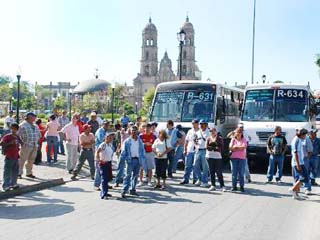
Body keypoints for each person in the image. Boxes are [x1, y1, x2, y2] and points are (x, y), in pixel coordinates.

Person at [120, 126, 145, 198]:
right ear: (130, 132)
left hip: (138, 160)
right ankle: (124, 190)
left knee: (135, 175)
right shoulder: (127, 141)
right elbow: (123, 152)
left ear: (137, 132)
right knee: (127, 175)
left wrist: (142, 160)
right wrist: (123, 160)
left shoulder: (140, 141)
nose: (134, 132)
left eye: (135, 130)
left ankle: (133, 190)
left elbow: (142, 151)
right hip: (130, 160)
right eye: (132, 131)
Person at [18, 112, 41, 179]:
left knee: (31, 160)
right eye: (33, 116)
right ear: (29, 117)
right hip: (26, 145)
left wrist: (37, 142)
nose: (34, 118)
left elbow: (39, 134)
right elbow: (17, 134)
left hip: (34, 145)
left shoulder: (35, 125)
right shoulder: (22, 125)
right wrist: (21, 143)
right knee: (22, 159)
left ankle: (29, 173)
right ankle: (19, 173)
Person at [290, 128, 310, 199]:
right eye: (305, 135)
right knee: (303, 177)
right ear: (302, 134)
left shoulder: (299, 140)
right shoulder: (297, 140)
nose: (305, 136)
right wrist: (298, 164)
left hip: (300, 162)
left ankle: (295, 194)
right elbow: (295, 153)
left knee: (304, 178)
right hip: (298, 163)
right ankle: (293, 189)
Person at [0, 123, 21, 191]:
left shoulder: (17, 136)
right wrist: (10, 143)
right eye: (12, 128)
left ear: (17, 129)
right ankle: (6, 185)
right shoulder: (7, 136)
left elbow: (21, 142)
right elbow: (1, 143)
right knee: (7, 171)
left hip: (16, 156)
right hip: (9, 156)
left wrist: (22, 143)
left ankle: (13, 183)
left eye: (15, 129)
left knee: (15, 171)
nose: (13, 130)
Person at [95, 132, 115, 199]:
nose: (110, 139)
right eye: (108, 137)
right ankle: (103, 194)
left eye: (111, 138)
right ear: (105, 138)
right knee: (104, 178)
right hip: (104, 163)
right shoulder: (103, 145)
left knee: (107, 178)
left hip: (108, 163)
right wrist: (99, 160)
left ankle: (106, 192)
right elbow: (97, 152)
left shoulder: (110, 145)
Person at [180, 119, 199, 185]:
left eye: (195, 123)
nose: (194, 125)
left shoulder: (200, 131)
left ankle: (195, 179)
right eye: (193, 124)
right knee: (187, 165)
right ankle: (185, 179)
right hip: (189, 150)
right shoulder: (190, 131)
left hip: (197, 150)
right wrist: (185, 149)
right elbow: (186, 141)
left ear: (197, 124)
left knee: (195, 166)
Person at [206, 127, 225, 191]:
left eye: (213, 131)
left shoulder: (219, 138)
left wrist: (215, 148)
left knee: (219, 172)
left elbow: (221, 147)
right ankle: (213, 185)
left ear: (216, 131)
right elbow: (207, 147)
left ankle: (222, 186)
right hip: (209, 156)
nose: (212, 132)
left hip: (217, 157)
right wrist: (212, 147)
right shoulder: (208, 138)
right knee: (211, 172)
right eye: (211, 131)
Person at [93, 121, 111, 190]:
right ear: (103, 125)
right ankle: (96, 185)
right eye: (106, 124)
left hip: (106, 153)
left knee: (106, 170)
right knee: (98, 169)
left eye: (108, 125)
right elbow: (102, 140)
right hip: (100, 153)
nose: (107, 126)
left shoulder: (106, 131)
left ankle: (105, 183)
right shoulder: (100, 131)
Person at [229, 127, 247, 192]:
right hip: (233, 158)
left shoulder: (244, 139)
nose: (238, 133)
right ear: (235, 133)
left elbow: (243, 147)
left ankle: (241, 186)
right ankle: (234, 186)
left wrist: (236, 147)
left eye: (240, 132)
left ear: (241, 133)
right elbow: (230, 148)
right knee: (234, 173)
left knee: (241, 173)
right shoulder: (233, 140)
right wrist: (237, 148)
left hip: (242, 158)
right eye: (237, 132)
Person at [193, 119, 210, 187]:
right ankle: (199, 179)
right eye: (200, 124)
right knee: (195, 165)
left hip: (205, 150)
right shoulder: (197, 132)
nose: (201, 125)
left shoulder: (208, 132)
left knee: (205, 166)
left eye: (203, 124)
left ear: (206, 125)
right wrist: (195, 143)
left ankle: (205, 181)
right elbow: (195, 140)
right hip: (198, 150)